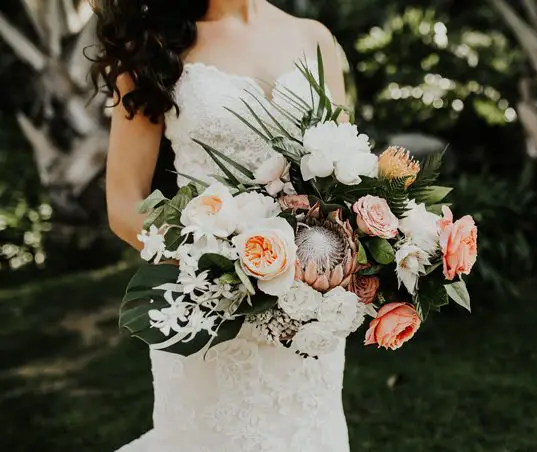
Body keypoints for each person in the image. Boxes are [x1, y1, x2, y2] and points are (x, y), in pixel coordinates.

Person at [91, 0, 349, 451]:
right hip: (210, 309)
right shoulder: (151, 48)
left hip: (309, 315)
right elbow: (123, 204)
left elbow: (346, 177)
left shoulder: (315, 37)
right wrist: (225, 267)